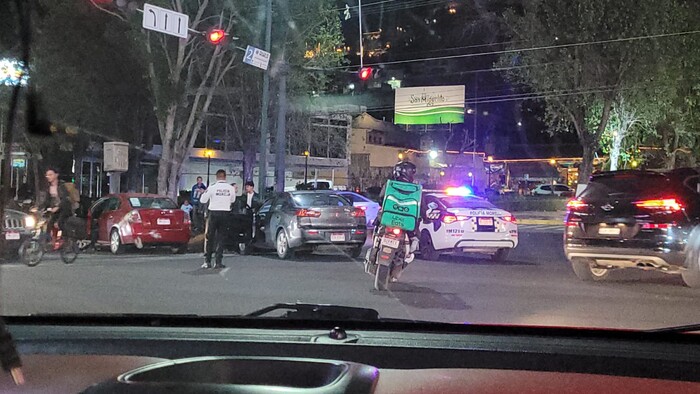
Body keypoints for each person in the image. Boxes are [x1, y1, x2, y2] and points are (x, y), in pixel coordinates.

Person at [364, 161, 419, 272]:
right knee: (414, 237)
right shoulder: (415, 189)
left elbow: (380, 198)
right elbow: (420, 207)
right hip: (402, 224)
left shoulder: (390, 184)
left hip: (387, 220)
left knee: (378, 226)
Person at [199, 169, 235, 269]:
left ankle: (207, 261)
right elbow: (233, 200)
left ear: (217, 177)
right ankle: (218, 262)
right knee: (221, 238)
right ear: (225, 177)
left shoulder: (212, 187)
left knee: (210, 237)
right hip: (225, 213)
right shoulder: (230, 188)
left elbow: (203, 200)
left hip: (213, 213)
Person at [41, 167, 74, 243]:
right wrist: (41, 208)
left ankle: (66, 240)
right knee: (49, 223)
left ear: (56, 175)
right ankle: (48, 242)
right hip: (54, 209)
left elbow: (65, 200)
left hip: (64, 209)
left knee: (59, 223)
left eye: (50, 174)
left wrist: (58, 207)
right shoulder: (48, 187)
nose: (48, 177)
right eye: (47, 175)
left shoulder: (62, 186)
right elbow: (47, 200)